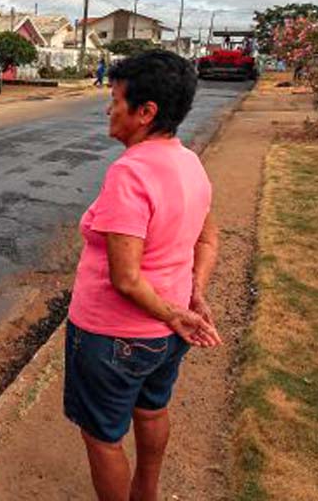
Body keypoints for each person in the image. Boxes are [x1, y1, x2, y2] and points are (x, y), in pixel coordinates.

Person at [64, 50, 222, 501]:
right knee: (152, 411)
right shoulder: (190, 162)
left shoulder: (129, 173)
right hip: (166, 335)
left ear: (145, 112)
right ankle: (146, 494)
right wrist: (192, 298)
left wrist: (176, 314)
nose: (108, 109)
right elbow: (208, 240)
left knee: (102, 437)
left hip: (112, 335)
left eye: (115, 99)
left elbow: (126, 278)